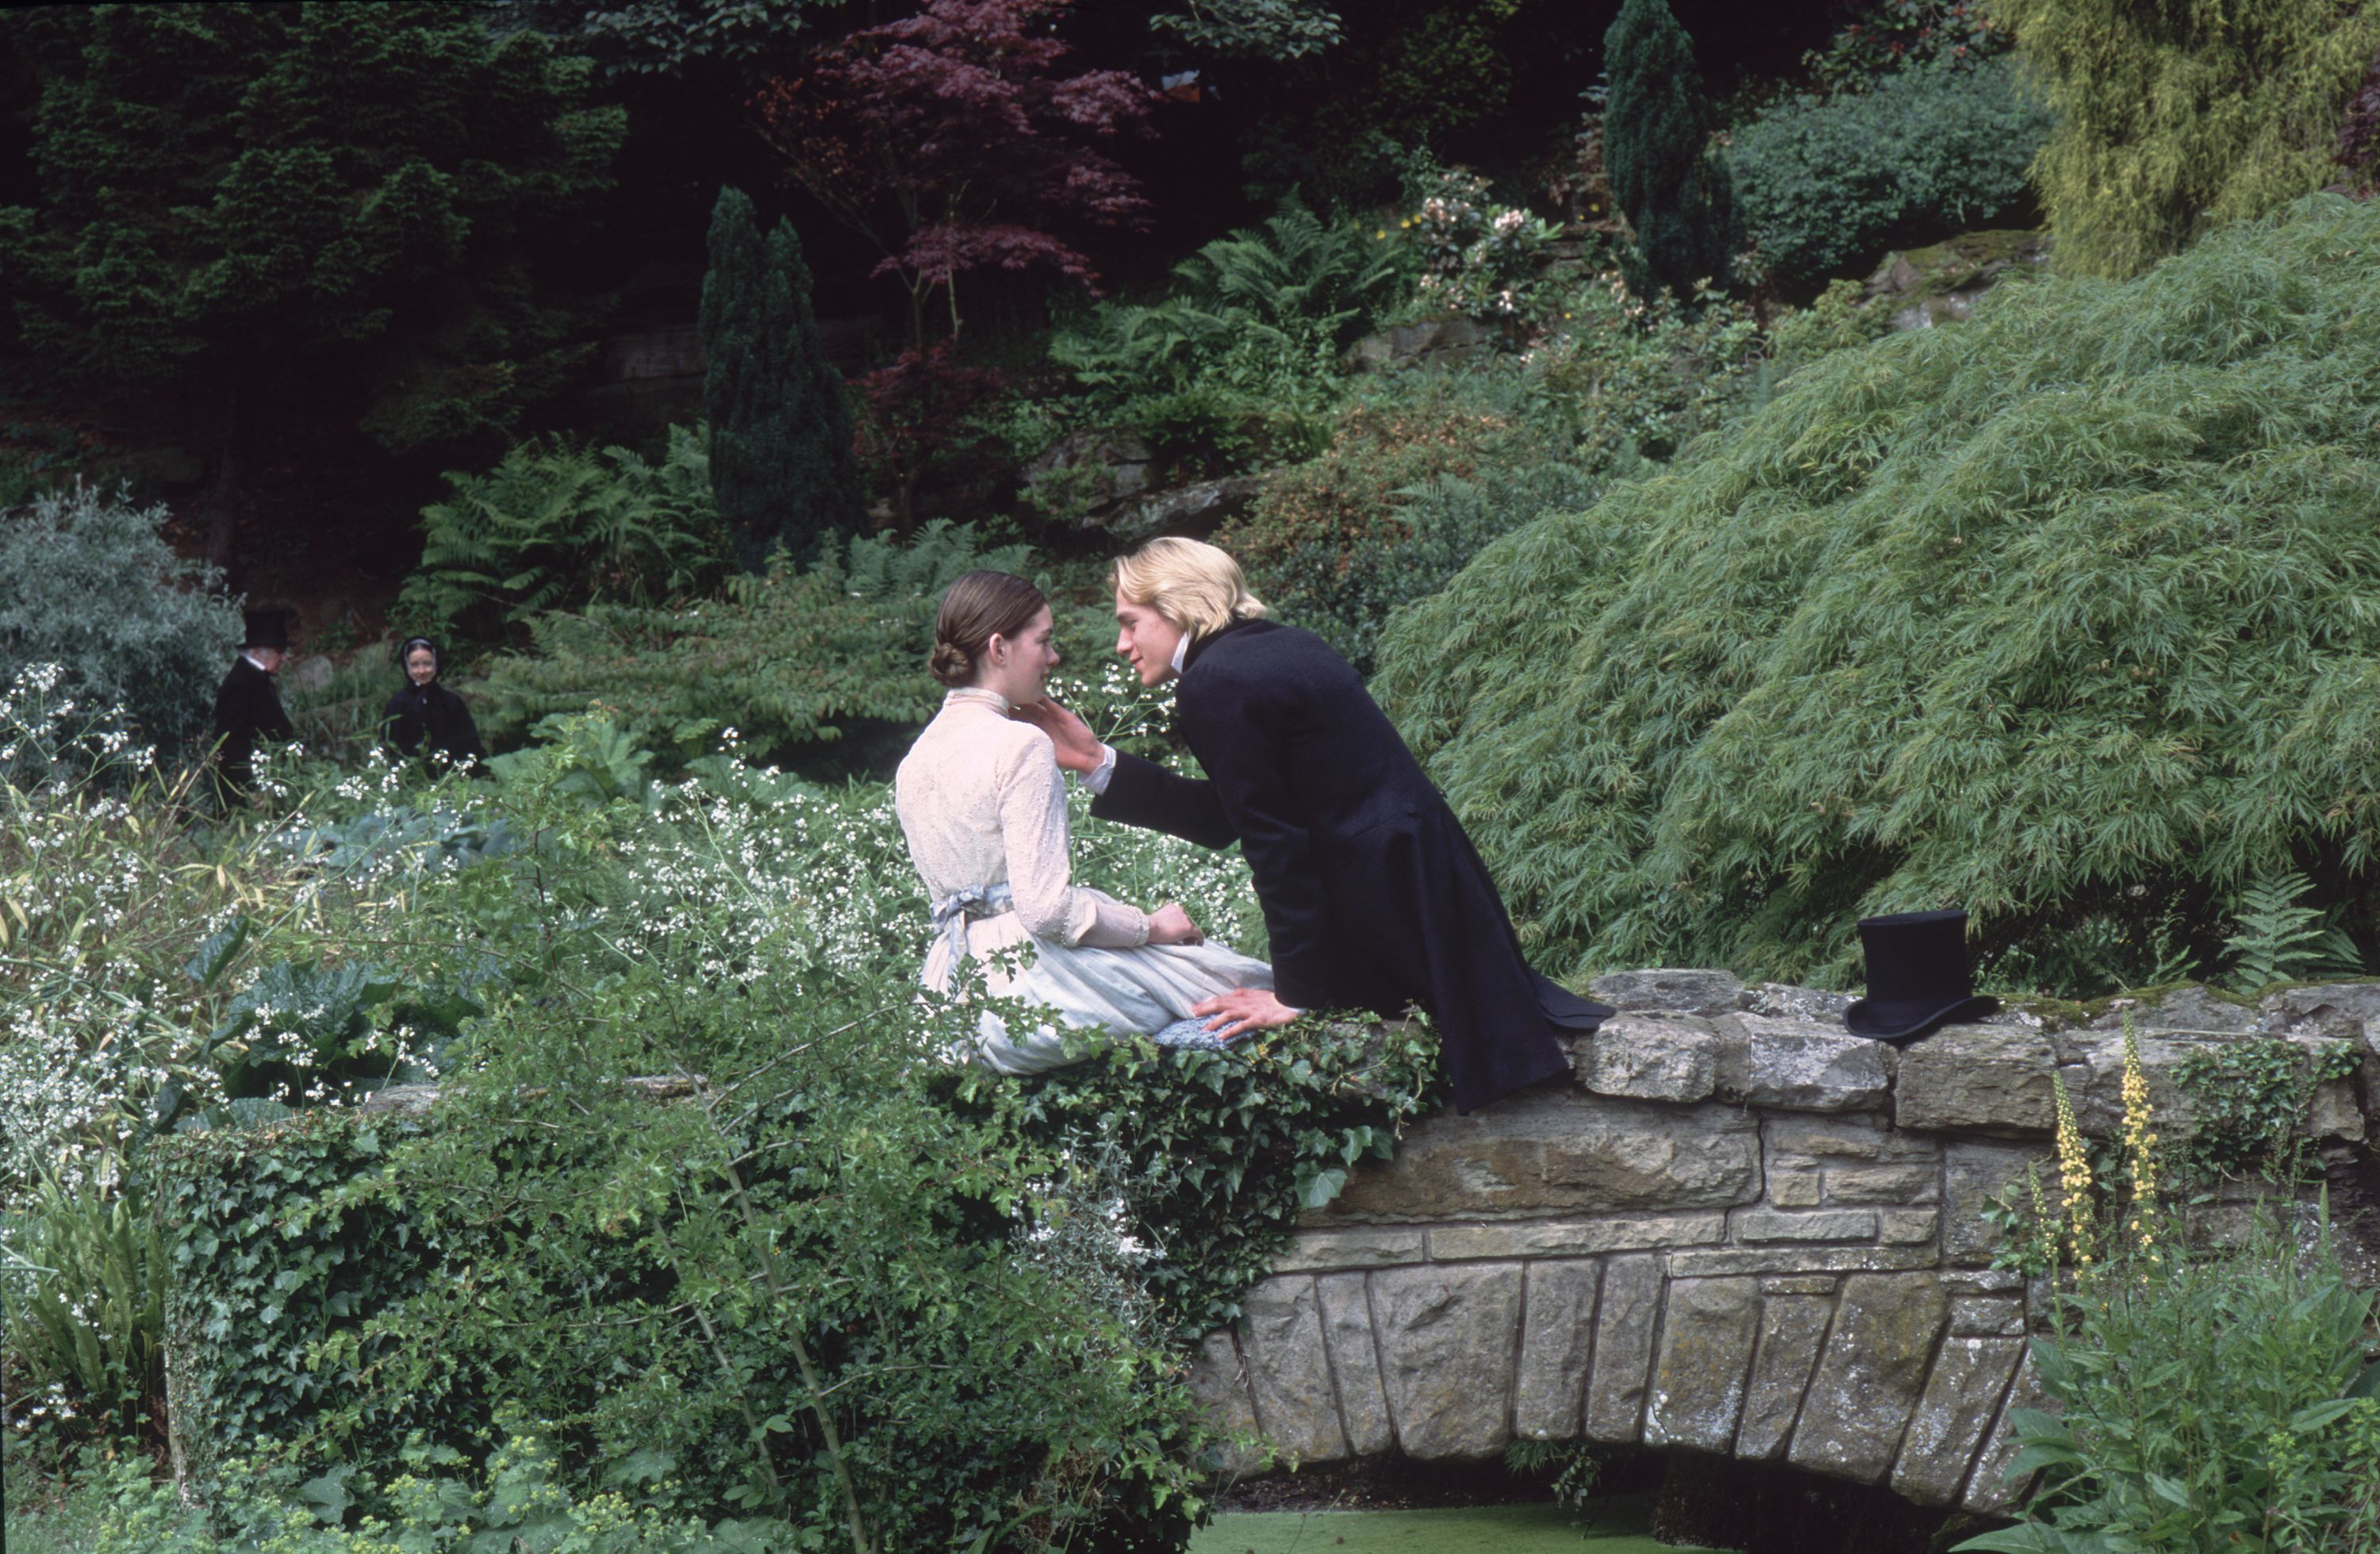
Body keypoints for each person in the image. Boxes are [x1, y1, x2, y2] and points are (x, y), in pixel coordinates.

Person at [1015, 537, 1614, 1114]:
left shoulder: (1213, 682)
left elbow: (1276, 848)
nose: (1122, 643)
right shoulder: (1278, 646)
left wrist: (1295, 994)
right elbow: (1233, 814)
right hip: (1419, 882)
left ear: (1176, 605)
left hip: (1386, 900)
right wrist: (1098, 763)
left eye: (1130, 621)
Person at [893, 570, 1274, 1075]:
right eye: (1044, 641)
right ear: (998, 647)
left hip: (952, 999)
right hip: (1031, 991)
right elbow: (1046, 911)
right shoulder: (1020, 744)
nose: (1053, 658)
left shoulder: (914, 761)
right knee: (1240, 986)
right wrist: (1151, 927)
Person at [211, 607, 295, 800]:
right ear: (258, 652)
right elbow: (230, 743)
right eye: (279, 651)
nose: (284, 657)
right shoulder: (240, 684)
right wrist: (250, 789)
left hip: (267, 784)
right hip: (250, 795)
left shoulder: (256, 679)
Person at [381, 636, 485, 775]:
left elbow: (470, 746)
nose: (422, 671)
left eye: (427, 664)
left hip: (452, 779)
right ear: (406, 666)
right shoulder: (397, 704)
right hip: (413, 782)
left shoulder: (452, 702)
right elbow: (391, 749)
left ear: (436, 664)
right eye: (415, 665)